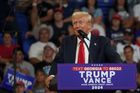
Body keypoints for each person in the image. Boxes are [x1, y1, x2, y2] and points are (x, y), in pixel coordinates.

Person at [46, 11, 122, 93]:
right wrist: (52, 75)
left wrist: (121, 72)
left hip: (94, 87)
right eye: (74, 23)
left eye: (80, 22)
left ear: (90, 26)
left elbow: (115, 59)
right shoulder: (67, 42)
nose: (77, 26)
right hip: (71, 86)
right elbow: (58, 61)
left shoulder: (102, 42)